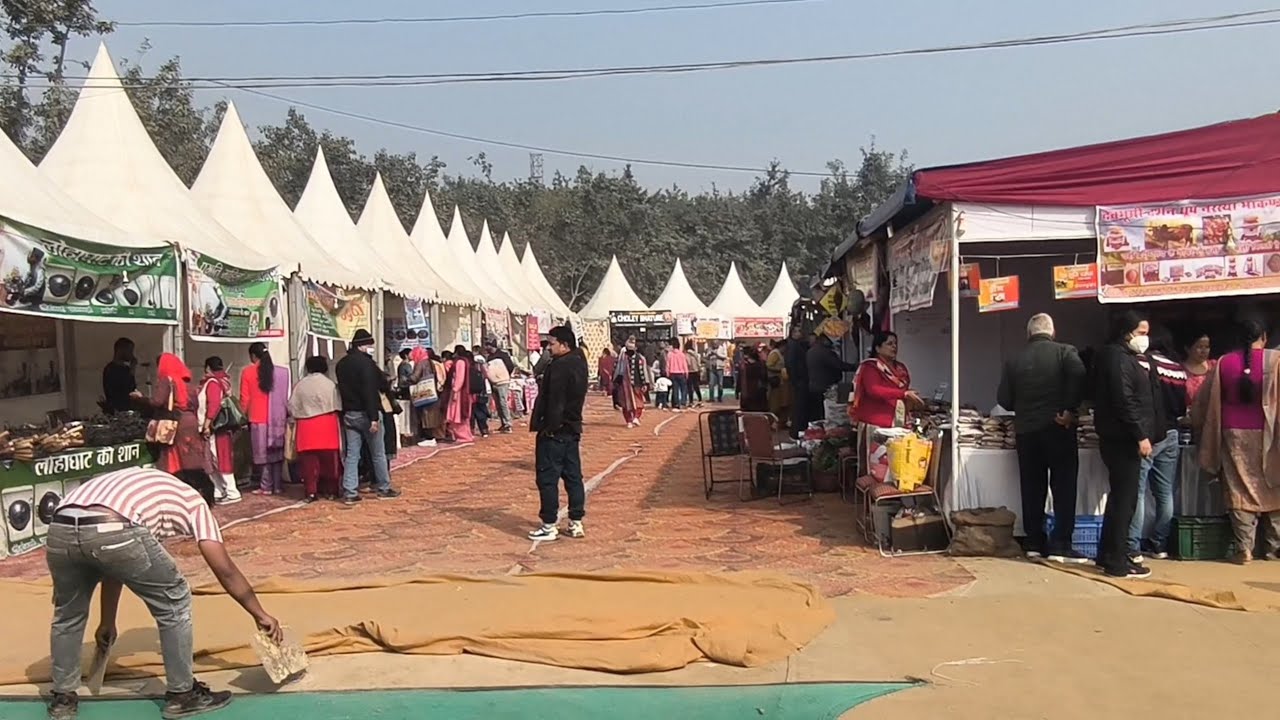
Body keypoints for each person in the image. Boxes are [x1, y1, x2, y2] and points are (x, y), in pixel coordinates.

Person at [43, 467, 282, 720]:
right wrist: (259, 613)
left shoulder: (143, 483)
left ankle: (63, 699)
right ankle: (182, 695)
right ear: (202, 493)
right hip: (115, 525)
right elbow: (224, 569)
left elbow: (113, 566)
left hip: (61, 527)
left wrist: (108, 620)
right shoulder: (193, 499)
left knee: (68, 614)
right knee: (175, 599)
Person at [995, 314, 1087, 563]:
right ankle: (1061, 544)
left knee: (1032, 487)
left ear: (1028, 334)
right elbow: (1080, 376)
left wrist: (1024, 405)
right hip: (1059, 428)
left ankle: (1034, 542)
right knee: (1064, 487)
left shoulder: (1014, 360)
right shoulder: (1066, 352)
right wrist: (1069, 408)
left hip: (1026, 431)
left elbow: (1004, 399)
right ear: (1052, 332)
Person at [1191, 315, 1280, 564]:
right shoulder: (1276, 360)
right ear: (1264, 337)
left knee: (1239, 489)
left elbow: (1203, 403)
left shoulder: (1223, 363)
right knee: (1274, 487)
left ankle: (1245, 549)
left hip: (1233, 435)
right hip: (1271, 434)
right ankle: (1273, 549)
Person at [1092, 311, 1156, 579]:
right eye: (1141, 333)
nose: (1145, 339)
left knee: (1121, 498)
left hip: (1119, 436)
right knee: (1125, 500)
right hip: (1122, 438)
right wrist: (1140, 435)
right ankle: (1116, 559)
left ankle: (1108, 554)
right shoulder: (1118, 359)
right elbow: (1124, 400)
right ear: (1126, 331)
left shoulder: (1121, 357)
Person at [528, 325, 590, 542]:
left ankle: (549, 524)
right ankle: (576, 521)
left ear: (564, 345)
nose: (549, 348)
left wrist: (549, 428)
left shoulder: (560, 366)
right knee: (573, 477)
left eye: (552, 344)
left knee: (547, 477)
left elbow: (556, 401)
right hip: (572, 428)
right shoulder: (580, 362)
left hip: (556, 430)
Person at [1130, 325, 1186, 561]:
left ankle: (1132, 544)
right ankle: (1159, 543)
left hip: (1147, 435)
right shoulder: (1178, 370)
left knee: (1138, 491)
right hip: (1172, 433)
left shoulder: (1139, 364)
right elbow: (1182, 408)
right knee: (1165, 493)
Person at [335, 329, 401, 504]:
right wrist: (373, 417)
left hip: (349, 413)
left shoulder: (341, 364)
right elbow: (370, 392)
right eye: (370, 345)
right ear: (363, 346)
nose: (371, 348)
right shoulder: (367, 365)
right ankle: (383, 487)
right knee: (378, 453)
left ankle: (349, 490)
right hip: (367, 413)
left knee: (352, 454)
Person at [152, 353, 215, 505]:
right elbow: (196, 404)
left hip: (176, 424)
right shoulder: (188, 384)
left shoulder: (167, 381)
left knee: (174, 460)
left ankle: (176, 493)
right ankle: (203, 492)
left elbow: (157, 402)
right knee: (192, 460)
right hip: (190, 423)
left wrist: (139, 399)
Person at [289, 356, 343, 503]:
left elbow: (292, 407)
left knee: (308, 464)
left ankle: (311, 492)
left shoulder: (300, 385)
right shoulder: (330, 384)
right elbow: (338, 405)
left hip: (306, 427)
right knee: (330, 463)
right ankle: (331, 491)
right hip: (327, 425)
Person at [239, 343, 290, 496]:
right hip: (277, 417)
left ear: (253, 356)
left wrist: (241, 415)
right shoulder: (282, 372)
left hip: (258, 417)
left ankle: (266, 486)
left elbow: (244, 399)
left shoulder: (248, 372)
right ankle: (278, 485)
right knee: (276, 452)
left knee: (263, 455)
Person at [198, 357, 240, 505]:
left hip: (216, 427)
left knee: (219, 458)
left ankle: (231, 491)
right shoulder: (223, 381)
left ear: (208, 368)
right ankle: (221, 490)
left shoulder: (212, 383)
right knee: (213, 459)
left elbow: (214, 405)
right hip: (219, 427)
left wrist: (206, 424)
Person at [807, 333, 857, 428]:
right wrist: (855, 366)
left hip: (814, 386)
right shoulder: (825, 352)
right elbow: (838, 365)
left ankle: (819, 431)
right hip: (826, 387)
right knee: (828, 414)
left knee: (819, 413)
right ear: (824, 340)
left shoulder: (811, 351)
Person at [408, 347, 444, 446]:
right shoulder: (431, 362)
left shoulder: (421, 363)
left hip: (423, 393)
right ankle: (429, 437)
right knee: (429, 415)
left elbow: (415, 377)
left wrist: (407, 378)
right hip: (431, 391)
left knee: (425, 416)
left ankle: (428, 438)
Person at [615, 336, 650, 428]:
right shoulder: (621, 359)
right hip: (625, 386)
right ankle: (629, 420)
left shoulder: (639, 359)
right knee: (626, 404)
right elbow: (617, 371)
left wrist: (645, 383)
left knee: (638, 403)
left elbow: (642, 372)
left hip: (636, 385)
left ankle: (634, 417)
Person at [443, 344, 476, 443]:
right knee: (462, 416)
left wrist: (455, 389)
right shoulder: (465, 361)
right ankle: (466, 435)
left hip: (460, 393)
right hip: (463, 391)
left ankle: (463, 436)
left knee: (458, 415)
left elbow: (459, 378)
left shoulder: (460, 362)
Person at [102, 337, 142, 414]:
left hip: (128, 408)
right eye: (129, 351)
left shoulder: (126, 369)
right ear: (120, 351)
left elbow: (132, 387)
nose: (131, 354)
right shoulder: (111, 369)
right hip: (117, 410)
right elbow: (120, 390)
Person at [784, 329, 811, 437]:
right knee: (799, 407)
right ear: (793, 334)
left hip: (799, 381)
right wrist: (796, 381)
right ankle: (797, 432)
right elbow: (791, 365)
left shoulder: (795, 346)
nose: (801, 333)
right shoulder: (793, 347)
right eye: (798, 331)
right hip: (799, 381)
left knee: (799, 407)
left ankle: (797, 431)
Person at [484, 344, 515, 433]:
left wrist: (504, 376)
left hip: (503, 381)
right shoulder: (489, 357)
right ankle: (503, 423)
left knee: (503, 402)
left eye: (488, 345)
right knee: (498, 404)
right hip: (493, 382)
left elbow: (510, 366)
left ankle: (508, 424)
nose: (486, 348)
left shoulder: (503, 355)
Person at [1183, 331, 1215, 405]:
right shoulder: (1179, 371)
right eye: (1199, 347)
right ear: (1187, 349)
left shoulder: (1214, 366)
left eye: (1207, 347)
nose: (1204, 351)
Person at [765, 339, 790, 424]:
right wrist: (779, 370)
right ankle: (772, 421)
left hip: (781, 381)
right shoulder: (775, 353)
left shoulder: (780, 354)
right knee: (775, 402)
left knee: (781, 402)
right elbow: (768, 365)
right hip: (776, 381)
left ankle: (780, 422)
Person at [394, 348, 415, 445]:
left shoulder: (401, 365)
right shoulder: (406, 365)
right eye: (411, 354)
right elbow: (412, 377)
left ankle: (404, 434)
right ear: (406, 355)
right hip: (406, 390)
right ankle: (405, 434)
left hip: (402, 390)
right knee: (406, 414)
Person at [739, 345, 769, 412]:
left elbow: (740, 379)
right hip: (758, 392)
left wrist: (737, 390)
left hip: (746, 393)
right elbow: (764, 377)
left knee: (747, 413)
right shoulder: (761, 365)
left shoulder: (743, 365)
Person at [470, 348, 492, 438]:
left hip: (474, 393)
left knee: (475, 411)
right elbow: (487, 376)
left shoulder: (471, 368)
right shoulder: (483, 368)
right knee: (482, 410)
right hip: (483, 391)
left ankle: (473, 430)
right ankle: (484, 429)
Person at [665, 339, 689, 410]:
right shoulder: (682, 354)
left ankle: (676, 404)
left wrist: (667, 373)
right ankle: (683, 403)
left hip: (672, 373)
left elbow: (667, 365)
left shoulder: (669, 354)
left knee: (675, 389)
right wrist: (686, 372)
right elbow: (685, 364)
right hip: (681, 373)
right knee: (683, 389)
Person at [684, 342, 704, 406]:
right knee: (696, 386)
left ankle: (691, 401)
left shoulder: (686, 354)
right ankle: (700, 400)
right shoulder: (696, 354)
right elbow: (698, 362)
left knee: (690, 387)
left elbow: (688, 363)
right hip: (696, 371)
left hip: (689, 371)